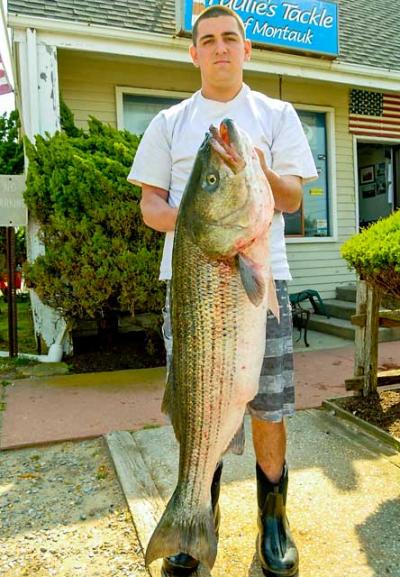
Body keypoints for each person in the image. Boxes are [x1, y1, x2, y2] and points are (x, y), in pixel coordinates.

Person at [128, 6, 318, 577]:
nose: (219, 48)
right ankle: (196, 515)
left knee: (268, 407)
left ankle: (274, 521)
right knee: (198, 398)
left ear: (246, 49)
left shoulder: (276, 114)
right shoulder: (169, 122)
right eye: (206, 40)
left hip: (262, 281)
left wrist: (255, 171)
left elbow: (292, 197)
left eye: (229, 38)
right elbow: (151, 205)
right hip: (192, 284)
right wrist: (196, 219)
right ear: (193, 53)